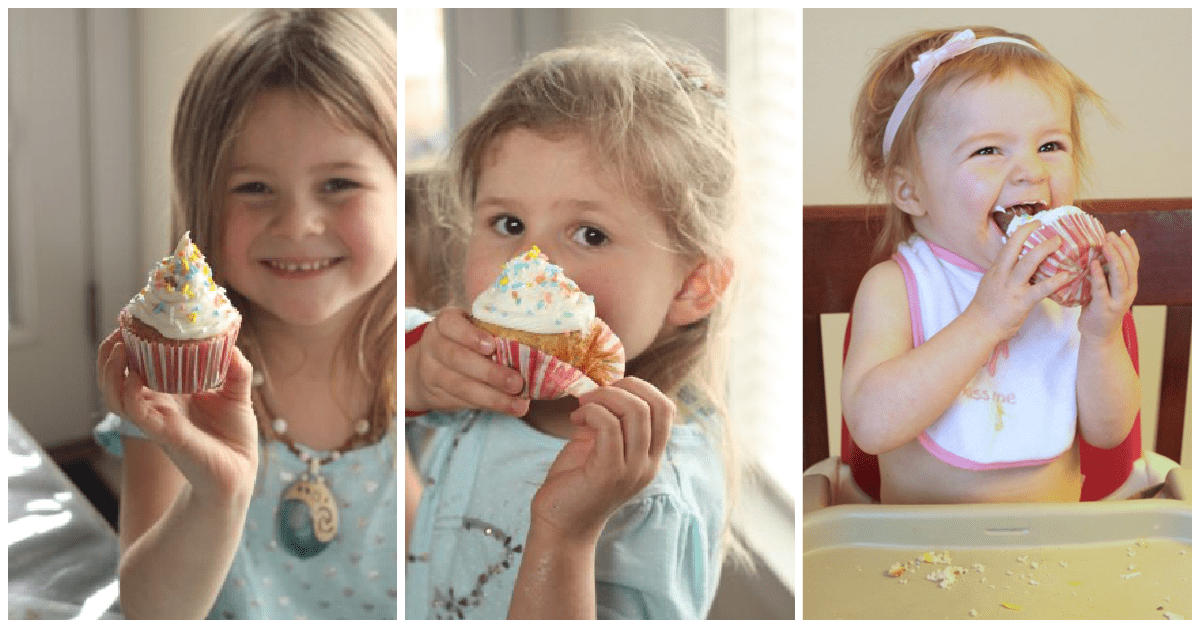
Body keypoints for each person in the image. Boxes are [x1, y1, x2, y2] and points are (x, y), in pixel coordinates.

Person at [404, 31, 744, 619]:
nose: (529, 266)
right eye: (508, 224)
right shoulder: (466, 377)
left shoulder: (654, 491)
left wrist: (565, 535)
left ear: (695, 286)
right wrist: (410, 376)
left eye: (589, 234)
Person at [93, 9, 397, 619]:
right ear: (201, 196)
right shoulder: (175, 389)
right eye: (253, 188)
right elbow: (154, 614)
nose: (298, 224)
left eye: (339, 183)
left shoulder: (438, 367)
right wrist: (218, 497)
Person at [842, 27, 1140, 504]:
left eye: (1050, 146)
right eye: (987, 150)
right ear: (909, 192)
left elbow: (1108, 434)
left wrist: (1103, 334)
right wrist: (986, 320)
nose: (1031, 171)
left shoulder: (1069, 287)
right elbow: (872, 427)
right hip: (913, 551)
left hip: (1050, 546)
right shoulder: (896, 287)